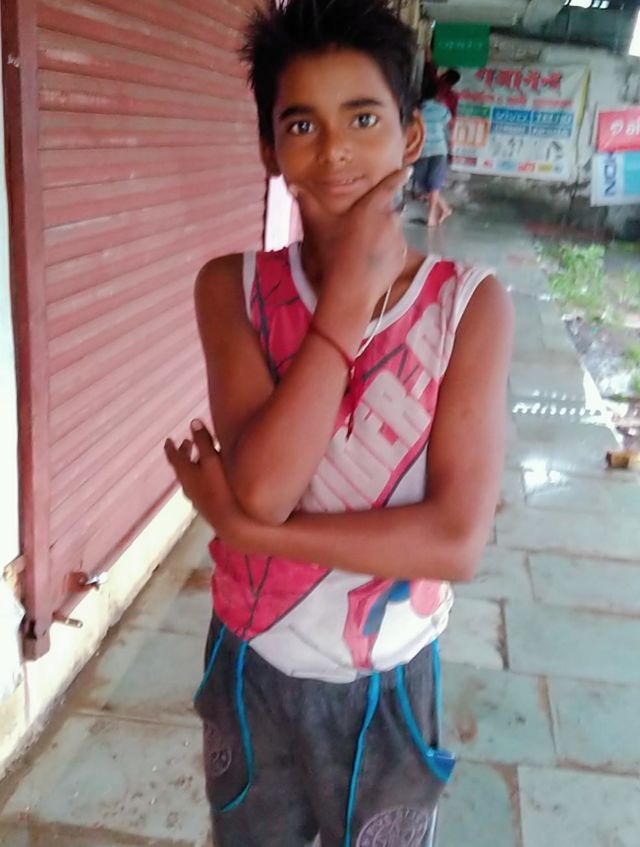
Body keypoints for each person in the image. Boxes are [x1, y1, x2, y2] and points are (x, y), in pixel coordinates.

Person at [165, 0, 513, 844]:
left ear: (412, 136)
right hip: (252, 662)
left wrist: (251, 533)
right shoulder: (232, 288)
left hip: (390, 681)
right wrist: (348, 299)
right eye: (301, 124)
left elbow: (453, 542)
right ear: (268, 149)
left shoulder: (469, 307)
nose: (335, 151)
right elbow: (264, 486)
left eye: (363, 118)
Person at [414, 78, 454, 228]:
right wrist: (449, 143)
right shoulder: (442, 109)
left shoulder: (415, 111)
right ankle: (445, 209)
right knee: (430, 185)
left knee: (428, 184)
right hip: (439, 150)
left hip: (422, 150)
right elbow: (448, 127)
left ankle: (431, 218)